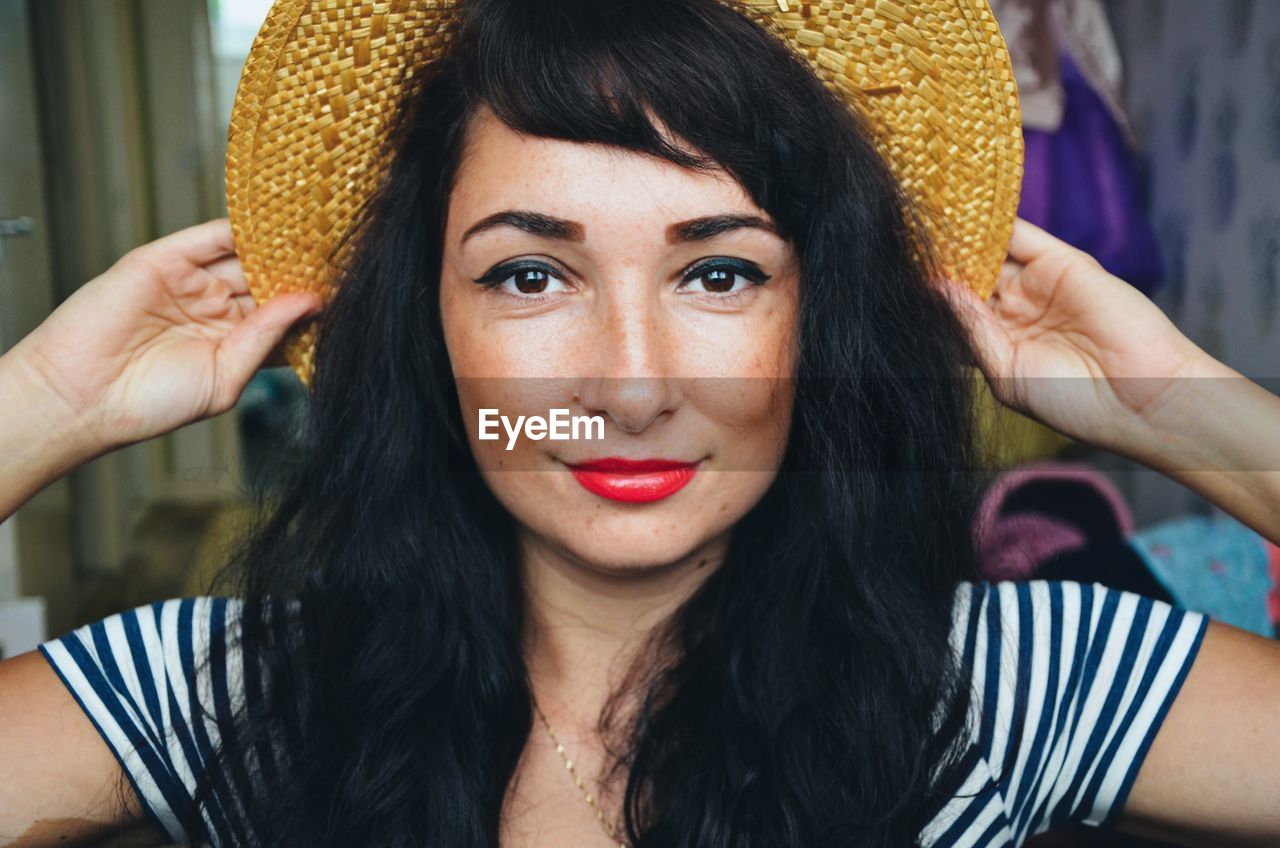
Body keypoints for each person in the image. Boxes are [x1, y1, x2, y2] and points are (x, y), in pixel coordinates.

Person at [2, 0, 1280, 846]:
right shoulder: (244, 695)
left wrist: (1188, 418)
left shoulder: (1001, 682)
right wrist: (36, 413)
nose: (627, 385)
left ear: (811, 325)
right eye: (528, 273)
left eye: (718, 272)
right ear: (423, 331)